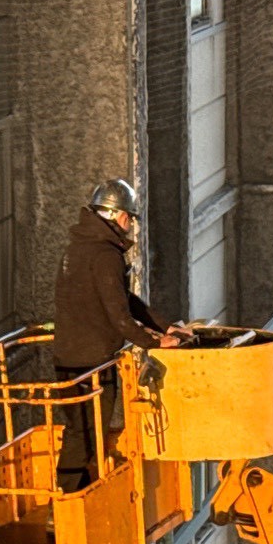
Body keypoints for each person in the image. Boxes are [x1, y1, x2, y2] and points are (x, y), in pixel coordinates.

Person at [52, 178, 189, 492]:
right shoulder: (104, 256)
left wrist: (164, 327)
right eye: (129, 215)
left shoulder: (82, 247)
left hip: (72, 355)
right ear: (113, 215)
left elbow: (125, 301)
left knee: (83, 430)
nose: (131, 222)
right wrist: (156, 343)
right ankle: (67, 499)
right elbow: (119, 317)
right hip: (90, 363)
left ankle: (73, 490)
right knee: (85, 432)